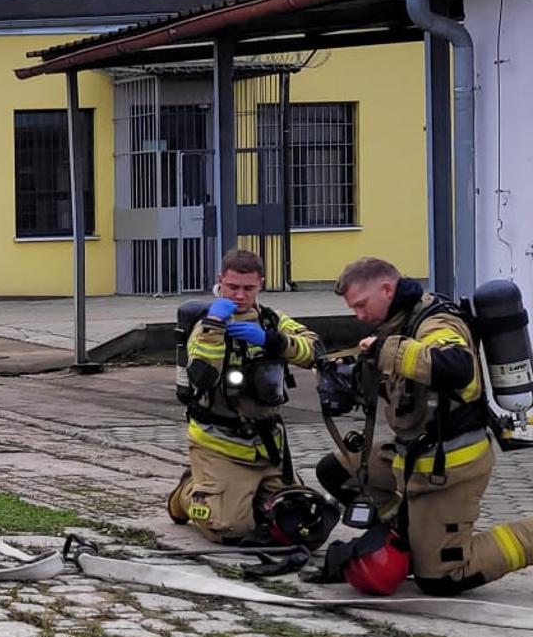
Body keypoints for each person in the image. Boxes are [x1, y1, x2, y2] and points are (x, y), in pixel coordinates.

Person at [313, 257, 533, 595]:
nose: (358, 315)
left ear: (387, 289)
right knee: (336, 471)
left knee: (442, 579)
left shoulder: (437, 323)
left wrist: (387, 350)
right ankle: (404, 530)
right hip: (410, 458)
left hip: (449, 468)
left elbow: (457, 367)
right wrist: (345, 378)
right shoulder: (398, 321)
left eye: (361, 304)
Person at [165, 249, 322, 544]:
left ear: (260, 283)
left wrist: (274, 341)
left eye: (248, 288)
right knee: (227, 528)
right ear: (219, 281)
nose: (239, 295)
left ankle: (249, 495)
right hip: (220, 445)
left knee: (300, 519)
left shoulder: (272, 320)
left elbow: (315, 350)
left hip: (267, 448)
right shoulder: (205, 326)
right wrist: (214, 328)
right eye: (232, 287)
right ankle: (187, 494)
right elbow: (202, 377)